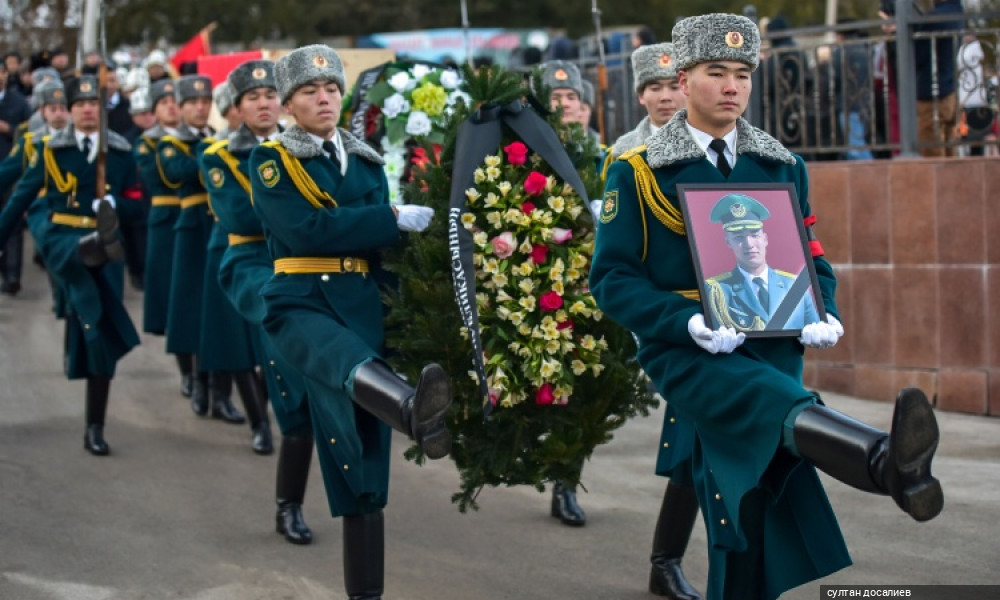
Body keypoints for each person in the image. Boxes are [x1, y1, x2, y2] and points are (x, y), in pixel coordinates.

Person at [591, 14, 943, 600]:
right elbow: (612, 279)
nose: (732, 86)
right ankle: (882, 461)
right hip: (694, 353)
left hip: (775, 341)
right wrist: (688, 322)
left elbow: (812, 257)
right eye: (715, 72)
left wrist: (823, 308)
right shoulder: (636, 171)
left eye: (743, 74)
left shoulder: (782, 166)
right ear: (683, 80)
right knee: (766, 417)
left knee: (754, 502)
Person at [248, 44, 453, 599]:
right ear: (289, 105)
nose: (324, 98)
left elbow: (379, 256)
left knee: (363, 469)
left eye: (332, 89)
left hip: (361, 302)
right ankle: (412, 410)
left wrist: (405, 319)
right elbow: (307, 232)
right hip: (300, 298)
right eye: (310, 92)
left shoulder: (362, 161)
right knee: (341, 357)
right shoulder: (272, 162)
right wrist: (385, 217)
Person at [600, 40, 703, 600]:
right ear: (640, 94)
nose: (665, 96)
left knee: (703, 438)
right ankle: (668, 561)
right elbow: (617, 258)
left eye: (673, 85)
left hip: (732, 311)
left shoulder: (719, 144)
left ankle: (667, 562)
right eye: (655, 87)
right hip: (666, 317)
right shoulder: (625, 155)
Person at [201, 58, 315, 542]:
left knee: (310, 388)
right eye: (253, 98)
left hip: (305, 266)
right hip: (255, 269)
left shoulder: (308, 147)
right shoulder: (219, 157)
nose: (265, 103)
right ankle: (287, 503)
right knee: (280, 378)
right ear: (238, 109)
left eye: (271, 95)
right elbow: (241, 219)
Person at [0, 75, 145, 455]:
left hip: (106, 251)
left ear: (101, 109)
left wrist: (115, 207)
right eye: (76, 104)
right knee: (87, 308)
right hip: (66, 245)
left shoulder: (120, 152)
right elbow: (20, 199)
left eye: (91, 104)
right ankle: (80, 322)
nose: (84, 110)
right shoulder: (51, 150)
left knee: (101, 336)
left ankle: (94, 425)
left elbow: (137, 204)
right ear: (68, 109)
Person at [158, 74, 244, 422]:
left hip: (220, 225)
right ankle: (196, 380)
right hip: (193, 229)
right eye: (192, 102)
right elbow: (177, 171)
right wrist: (218, 151)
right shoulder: (170, 142)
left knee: (221, 312)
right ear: (179, 108)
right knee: (192, 308)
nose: (199, 107)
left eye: (205, 102)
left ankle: (221, 393)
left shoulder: (219, 139)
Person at [135, 79, 192, 394]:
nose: (171, 106)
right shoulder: (147, 143)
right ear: (154, 110)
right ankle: (187, 371)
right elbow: (162, 176)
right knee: (176, 299)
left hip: (196, 219)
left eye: (175, 100)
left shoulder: (198, 137)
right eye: (164, 102)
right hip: (166, 221)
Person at [704, 193, 820, 332]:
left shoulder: (794, 286)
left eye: (754, 235)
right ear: (728, 242)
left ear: (765, 239)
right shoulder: (719, 290)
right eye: (739, 237)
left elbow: (816, 332)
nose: (749, 244)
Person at [0, 57, 34, 295]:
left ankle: (13, 275)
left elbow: (28, 133)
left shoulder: (18, 101)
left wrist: (8, 129)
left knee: (12, 223)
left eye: (1, 72)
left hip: (10, 170)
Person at [957, 33, 994, 156]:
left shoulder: (971, 53)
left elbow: (964, 61)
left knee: (976, 133)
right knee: (969, 133)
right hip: (969, 98)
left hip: (974, 99)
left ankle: (976, 154)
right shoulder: (967, 53)